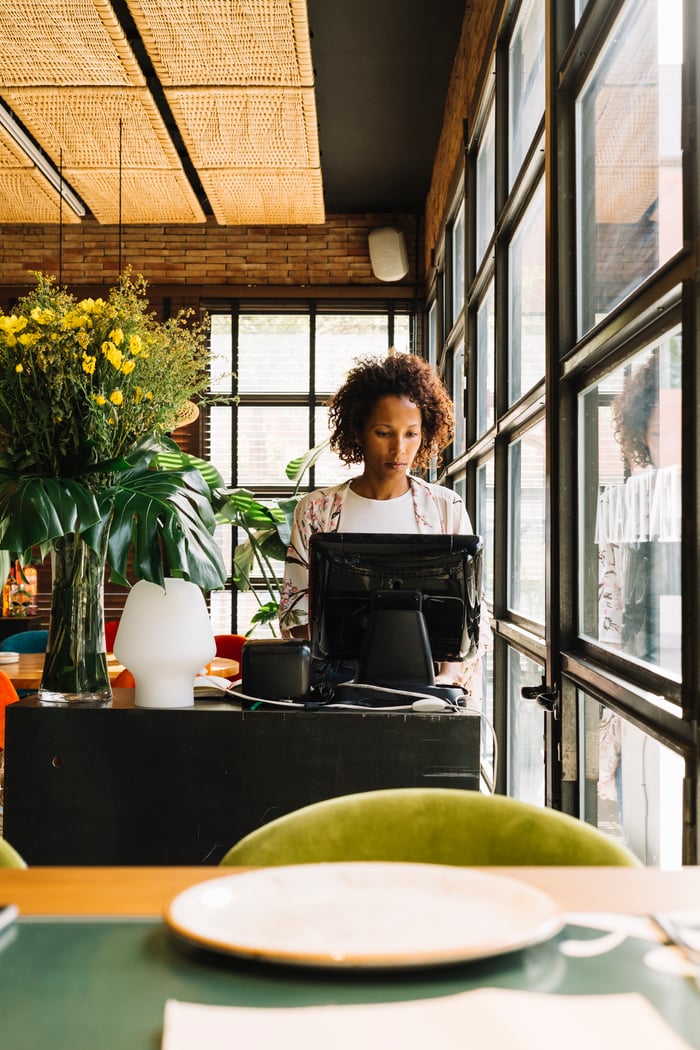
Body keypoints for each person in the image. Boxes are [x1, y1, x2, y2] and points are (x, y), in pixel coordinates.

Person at [278, 352, 488, 701]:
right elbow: (296, 613)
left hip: (429, 682)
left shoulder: (445, 507)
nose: (398, 449)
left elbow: (469, 612)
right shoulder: (316, 510)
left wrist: (448, 680)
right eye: (383, 433)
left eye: (411, 434)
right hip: (338, 685)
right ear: (358, 432)